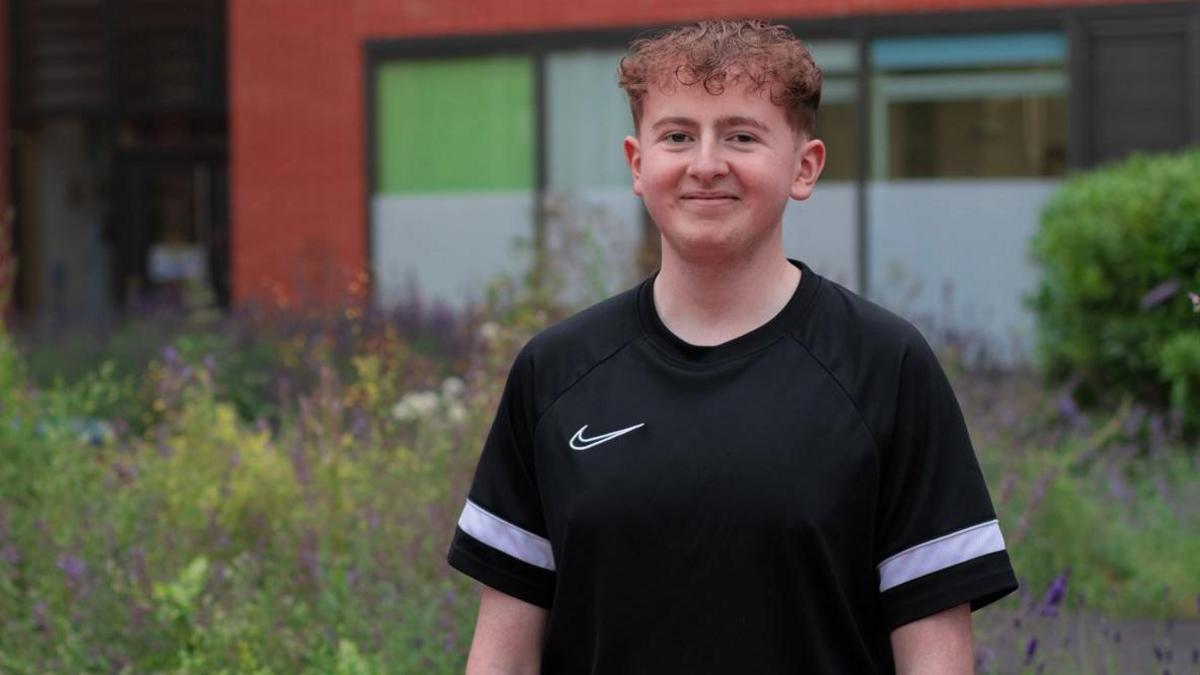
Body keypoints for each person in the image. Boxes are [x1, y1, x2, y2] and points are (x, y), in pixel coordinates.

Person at [447, 19, 1017, 674]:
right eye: (678, 136)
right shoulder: (554, 372)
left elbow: (936, 658)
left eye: (741, 135)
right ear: (639, 164)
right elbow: (504, 656)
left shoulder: (885, 367)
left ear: (804, 167)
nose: (706, 163)